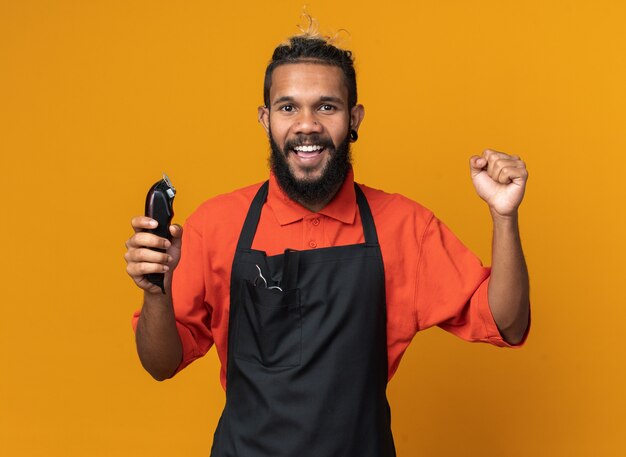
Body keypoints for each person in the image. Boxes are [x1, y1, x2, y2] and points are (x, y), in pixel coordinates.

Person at [125, 31, 530, 457]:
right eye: (288, 107)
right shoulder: (216, 225)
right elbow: (160, 364)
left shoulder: (406, 227)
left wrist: (504, 217)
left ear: (354, 118)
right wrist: (157, 291)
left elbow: (508, 323)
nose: (307, 124)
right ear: (266, 119)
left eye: (326, 106)